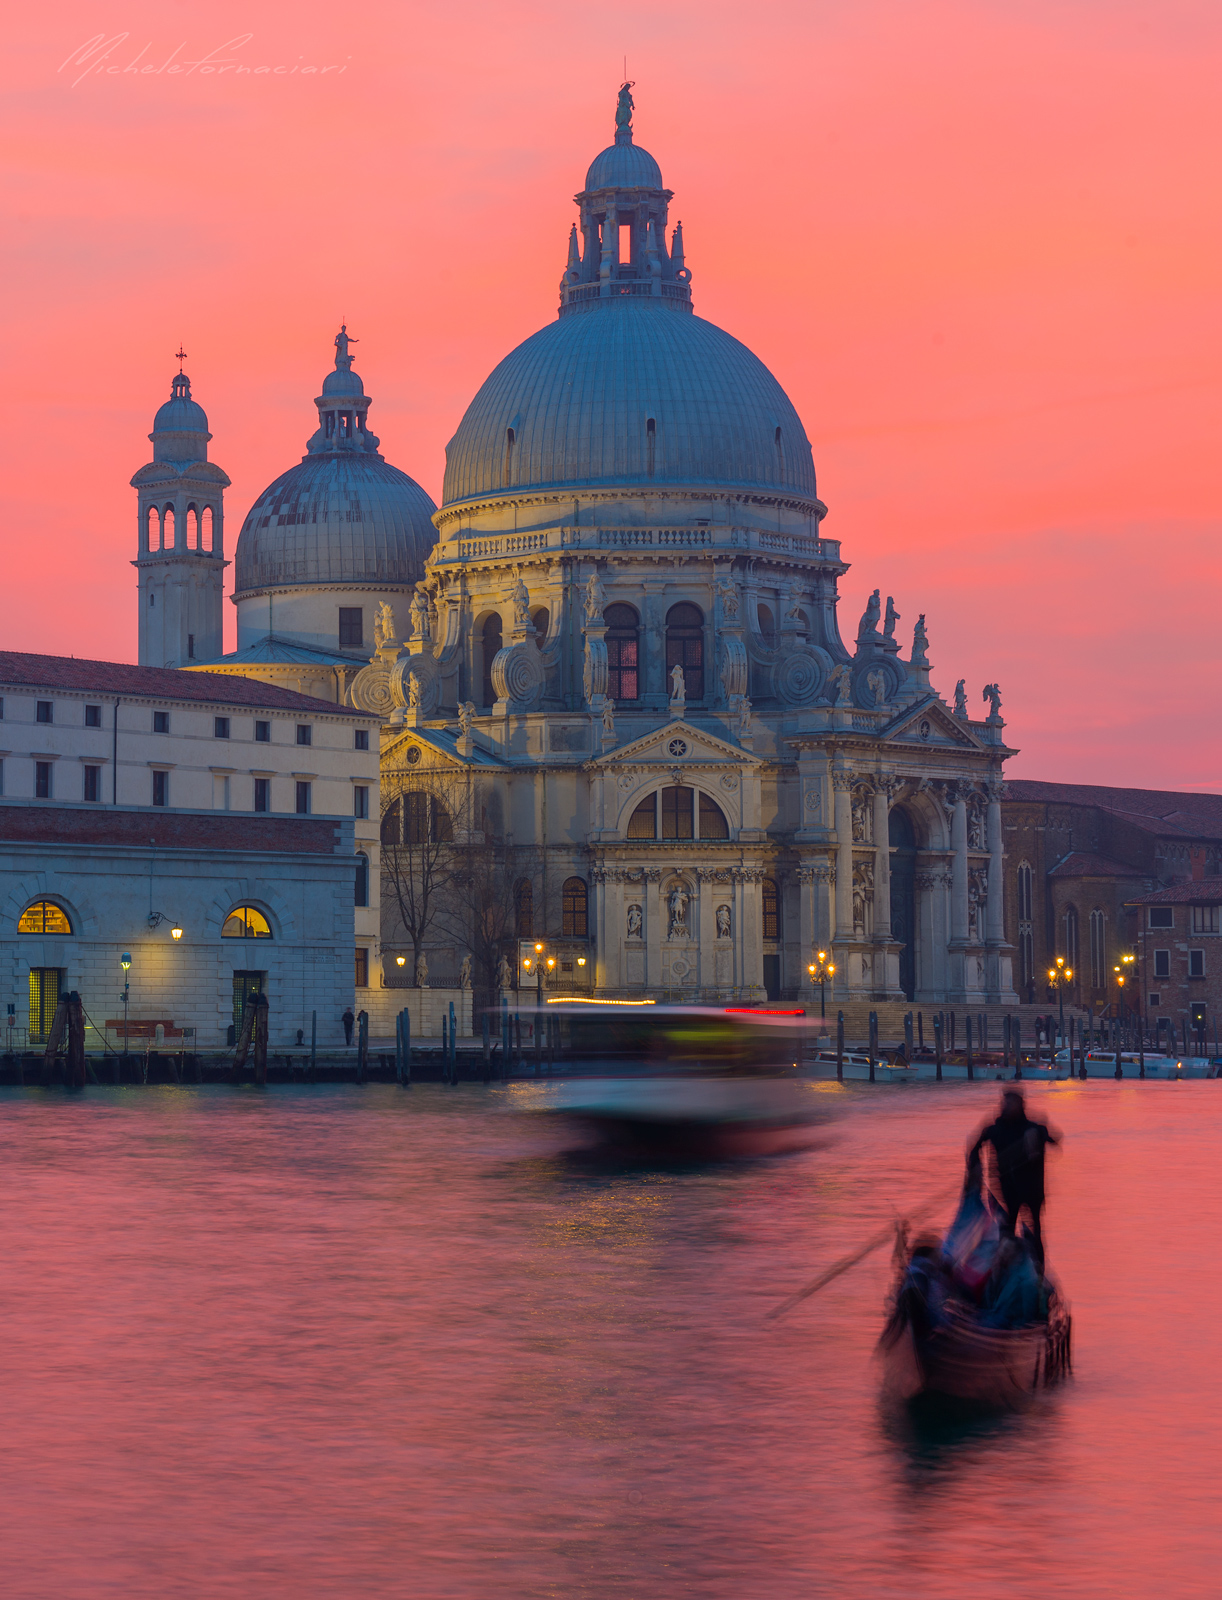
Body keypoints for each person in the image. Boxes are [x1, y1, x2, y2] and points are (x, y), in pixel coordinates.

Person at [967, 1089, 1060, 1268]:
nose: (1007, 1106)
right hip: (1007, 1190)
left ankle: (1038, 1269)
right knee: (1008, 1229)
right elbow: (974, 1149)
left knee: (1036, 1228)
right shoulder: (995, 1129)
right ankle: (1006, 1267)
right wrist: (976, 1167)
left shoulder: (1032, 1128)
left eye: (1012, 1103)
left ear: (1021, 1105)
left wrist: (1040, 1135)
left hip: (1032, 1190)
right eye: (1006, 1102)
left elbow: (1054, 1140)